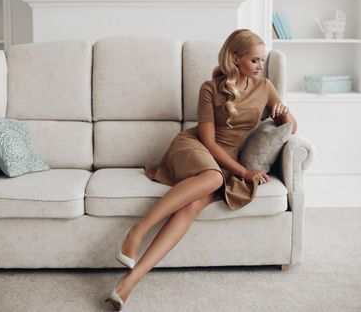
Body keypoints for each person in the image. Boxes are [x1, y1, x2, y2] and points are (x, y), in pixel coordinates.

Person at [105, 29, 297, 310]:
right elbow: (207, 140)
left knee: (189, 209)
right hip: (196, 148)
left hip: (226, 163)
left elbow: (291, 128)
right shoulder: (210, 88)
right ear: (236, 58)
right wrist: (244, 173)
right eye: (254, 60)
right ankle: (137, 231)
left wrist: (283, 112)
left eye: (262, 61)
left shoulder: (265, 87)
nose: (260, 66)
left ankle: (128, 284)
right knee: (211, 176)